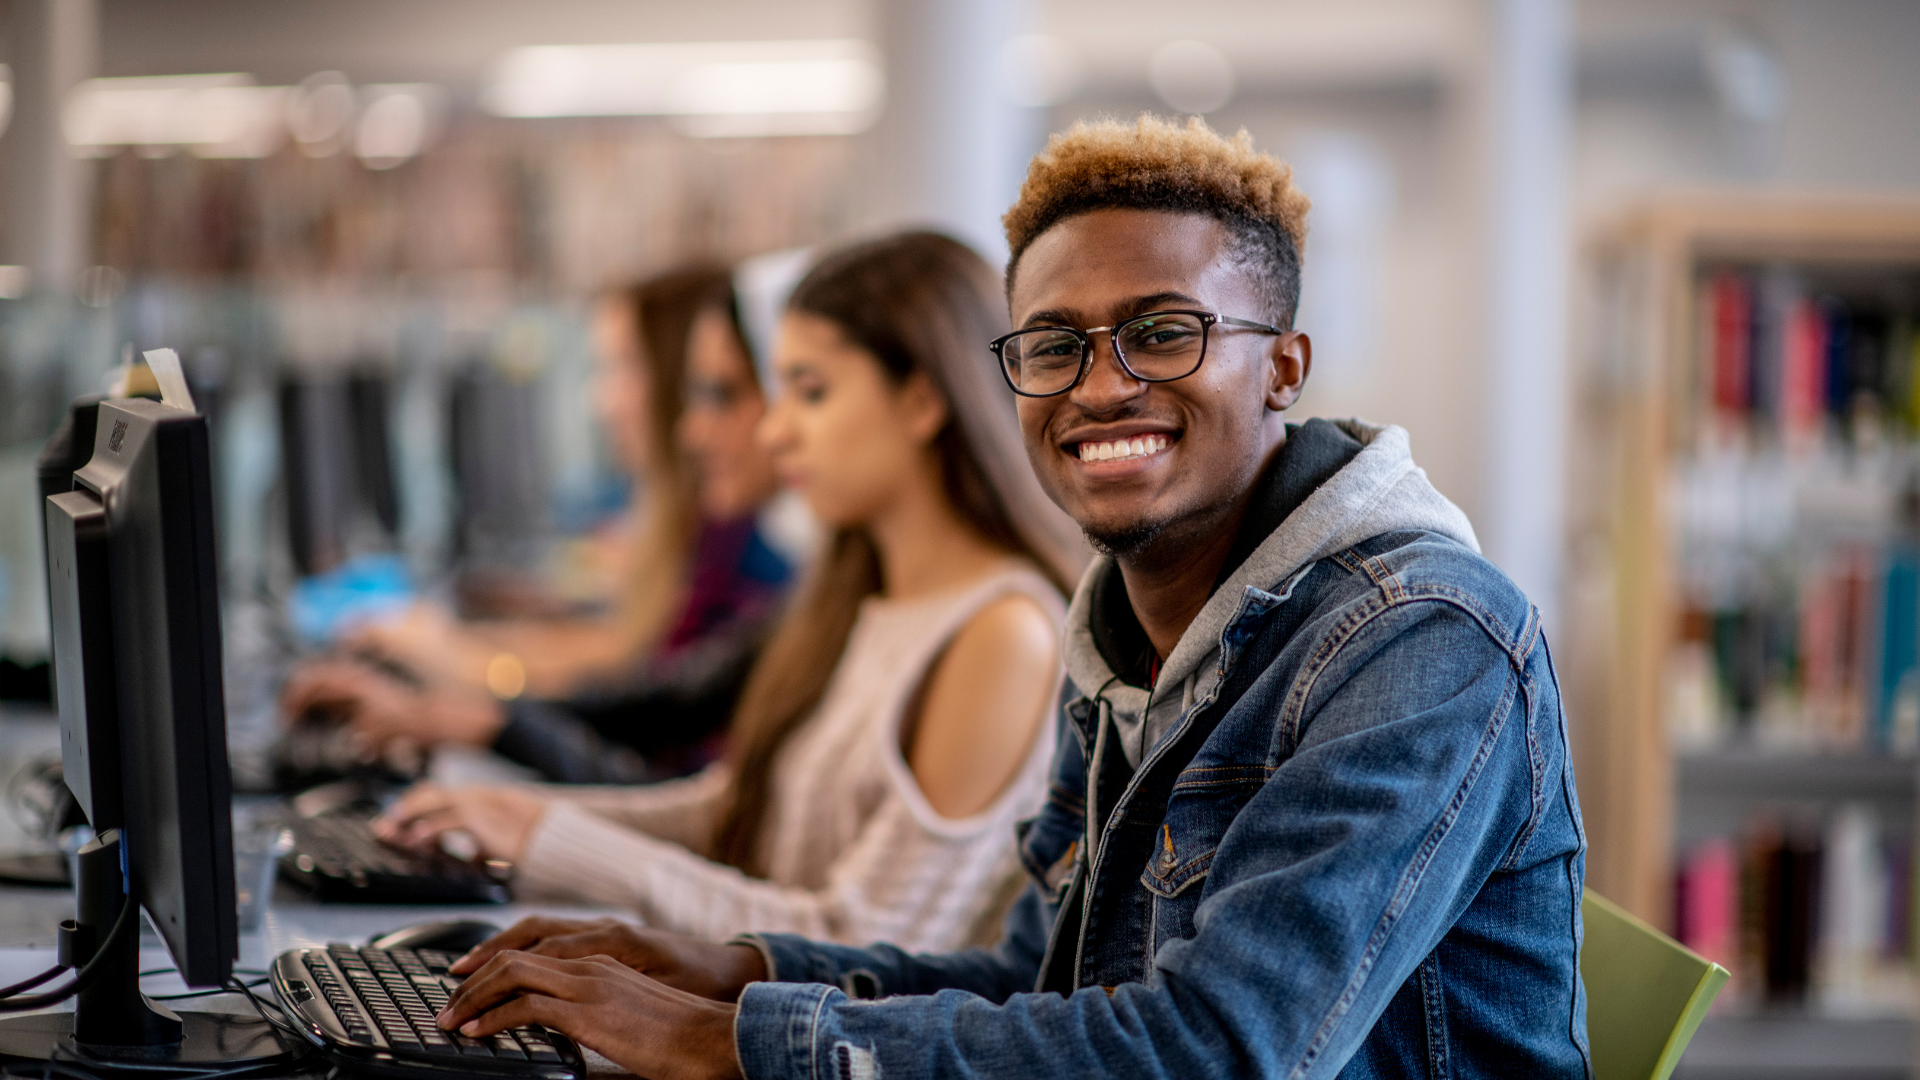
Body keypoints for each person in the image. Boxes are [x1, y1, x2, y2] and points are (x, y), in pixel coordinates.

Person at [428, 116, 1588, 1079]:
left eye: (1162, 334)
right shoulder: (1127, 631)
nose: (1100, 386)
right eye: (1053, 346)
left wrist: (728, 1042)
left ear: (1284, 366)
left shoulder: (1420, 641)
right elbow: (1038, 986)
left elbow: (1219, 1054)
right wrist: (728, 969)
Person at [372, 231, 1086, 953]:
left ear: (923, 400)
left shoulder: (1003, 631)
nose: (774, 432)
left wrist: (547, 839)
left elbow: (864, 946)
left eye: (810, 391)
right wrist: (520, 818)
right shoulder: (864, 599)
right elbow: (736, 811)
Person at [282, 267, 800, 782]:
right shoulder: (731, 546)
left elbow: (641, 705)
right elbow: (643, 691)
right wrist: (467, 694)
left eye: (622, 367)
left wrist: (471, 681)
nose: (601, 400)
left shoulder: (750, 556)